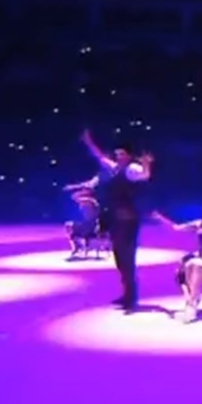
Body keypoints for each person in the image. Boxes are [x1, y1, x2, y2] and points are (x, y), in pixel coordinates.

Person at [63, 130, 153, 310]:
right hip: (116, 219)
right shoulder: (116, 168)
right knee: (119, 257)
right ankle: (127, 294)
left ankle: (131, 298)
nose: (119, 157)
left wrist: (146, 164)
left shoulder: (132, 169)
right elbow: (101, 158)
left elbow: (145, 175)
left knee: (127, 258)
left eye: (122, 154)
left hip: (128, 219)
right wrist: (89, 142)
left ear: (129, 155)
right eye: (117, 154)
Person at [63, 188, 103, 257]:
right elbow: (74, 197)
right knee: (69, 226)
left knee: (73, 228)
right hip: (85, 227)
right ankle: (77, 247)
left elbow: (76, 198)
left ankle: (79, 247)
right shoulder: (89, 204)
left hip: (91, 228)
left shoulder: (91, 203)